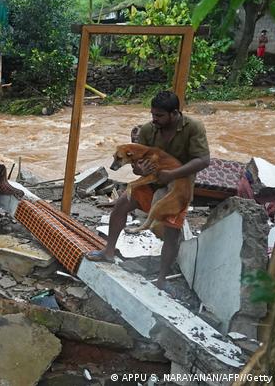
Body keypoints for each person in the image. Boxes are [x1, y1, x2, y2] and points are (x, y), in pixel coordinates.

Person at [86, 90, 210, 293]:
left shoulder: (193, 127)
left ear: (174, 113)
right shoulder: (148, 130)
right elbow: (136, 164)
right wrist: (139, 170)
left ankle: (162, 278)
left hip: (178, 185)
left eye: (159, 116)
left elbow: (203, 161)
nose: (154, 119)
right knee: (120, 206)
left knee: (171, 232)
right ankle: (108, 251)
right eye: (153, 114)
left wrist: (171, 174)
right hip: (151, 182)